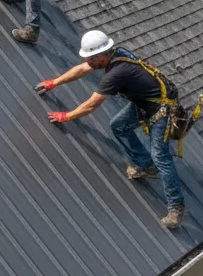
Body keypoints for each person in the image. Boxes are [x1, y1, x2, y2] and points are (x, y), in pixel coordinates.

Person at [37, 30, 187, 229]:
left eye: (91, 58)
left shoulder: (117, 73)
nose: (89, 62)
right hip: (146, 102)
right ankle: (145, 165)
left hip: (162, 110)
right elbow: (82, 69)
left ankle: (176, 207)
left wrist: (66, 116)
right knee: (118, 126)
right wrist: (54, 83)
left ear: (101, 55)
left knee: (161, 156)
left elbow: (92, 104)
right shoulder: (117, 54)